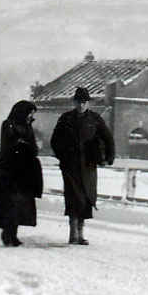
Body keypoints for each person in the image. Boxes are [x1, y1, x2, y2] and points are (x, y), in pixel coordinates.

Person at [50, 87, 115, 245]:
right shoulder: (65, 118)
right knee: (73, 197)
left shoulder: (95, 119)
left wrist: (109, 158)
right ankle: (73, 233)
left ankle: (81, 232)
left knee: (86, 198)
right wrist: (63, 157)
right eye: (79, 102)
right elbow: (54, 140)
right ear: (74, 102)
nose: (81, 105)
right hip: (70, 166)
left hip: (88, 165)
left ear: (88, 103)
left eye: (84, 102)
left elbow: (108, 138)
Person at [0, 100, 43, 247]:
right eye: (29, 113)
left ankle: (13, 233)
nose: (30, 116)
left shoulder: (27, 126)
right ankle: (8, 234)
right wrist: (23, 144)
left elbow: (31, 146)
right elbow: (9, 144)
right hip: (9, 170)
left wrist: (25, 145)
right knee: (9, 203)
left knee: (20, 204)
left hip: (24, 171)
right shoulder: (8, 124)